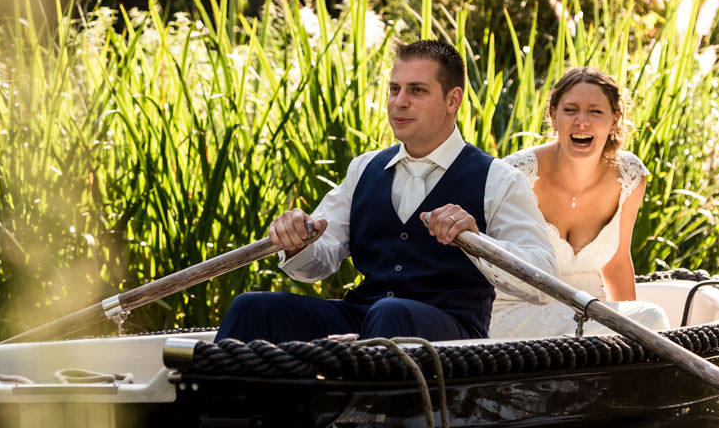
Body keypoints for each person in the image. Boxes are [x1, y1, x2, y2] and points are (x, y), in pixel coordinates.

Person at [216, 39, 558, 344]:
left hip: (451, 335)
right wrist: (297, 242)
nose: (399, 102)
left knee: (391, 313)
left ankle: (366, 415)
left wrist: (477, 241)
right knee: (253, 307)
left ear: (453, 99)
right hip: (364, 319)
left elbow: (541, 280)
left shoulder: (498, 179)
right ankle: (224, 413)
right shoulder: (364, 168)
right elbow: (315, 265)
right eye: (394, 89)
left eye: (417, 91)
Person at [490, 66, 671, 338]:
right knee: (652, 317)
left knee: (648, 319)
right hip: (519, 316)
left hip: (589, 316)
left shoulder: (629, 175)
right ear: (553, 116)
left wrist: (636, 335)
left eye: (595, 111)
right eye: (570, 110)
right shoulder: (516, 174)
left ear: (615, 120)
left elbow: (617, 262)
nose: (582, 121)